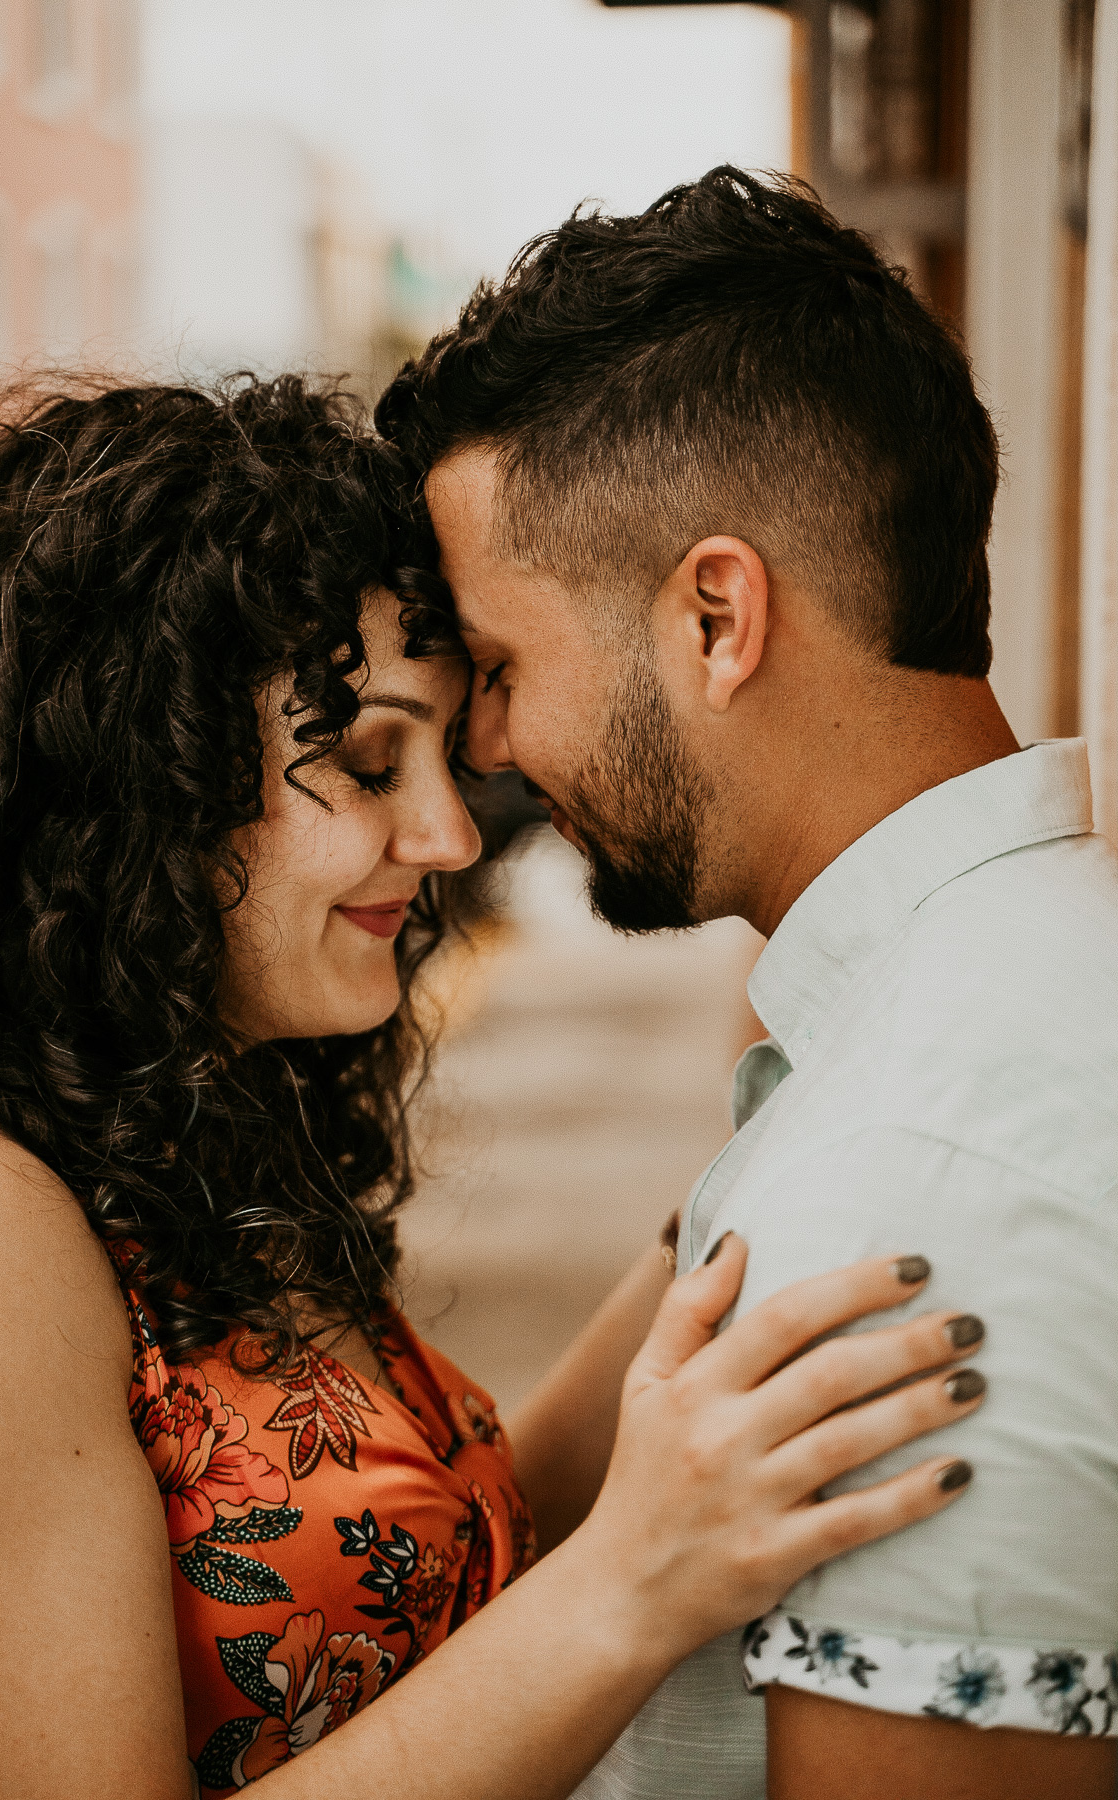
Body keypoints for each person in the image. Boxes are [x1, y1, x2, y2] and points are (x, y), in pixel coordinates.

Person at [0, 374, 983, 1800]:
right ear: (137, 786)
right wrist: (632, 1585)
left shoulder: (203, 1119)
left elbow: (419, 1569)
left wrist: (750, 1205)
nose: (441, 836)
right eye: (365, 764)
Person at [379, 167, 1118, 1800]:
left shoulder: (905, 1199)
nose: (487, 750)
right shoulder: (1043, 962)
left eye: (503, 668)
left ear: (718, 614)